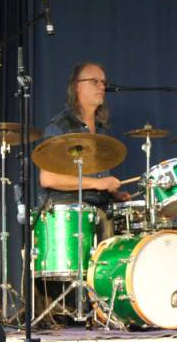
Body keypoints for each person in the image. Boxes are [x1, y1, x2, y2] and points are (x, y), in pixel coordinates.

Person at [39, 62, 130, 238]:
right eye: (94, 81)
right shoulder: (60, 126)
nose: (102, 87)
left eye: (103, 82)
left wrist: (112, 193)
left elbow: (96, 180)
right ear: (76, 87)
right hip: (70, 217)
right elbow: (48, 178)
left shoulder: (100, 129)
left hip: (100, 211)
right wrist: (98, 184)